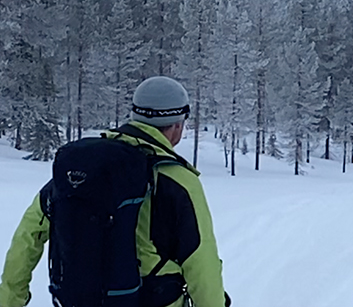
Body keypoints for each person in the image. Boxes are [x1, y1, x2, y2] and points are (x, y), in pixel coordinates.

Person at [0, 76, 228, 307]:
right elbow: (201, 262)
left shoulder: (86, 168)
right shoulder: (179, 180)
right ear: (178, 124)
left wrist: (10, 300)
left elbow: (28, 235)